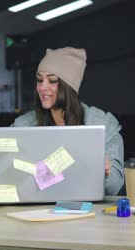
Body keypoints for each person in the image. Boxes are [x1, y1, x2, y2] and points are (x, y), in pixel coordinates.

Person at [12, 47, 124, 195]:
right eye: (39, 80)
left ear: (69, 87)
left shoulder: (102, 125)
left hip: (88, 211)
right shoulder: (23, 125)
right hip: (36, 209)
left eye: (52, 80)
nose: (42, 87)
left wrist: (106, 171)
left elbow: (115, 186)